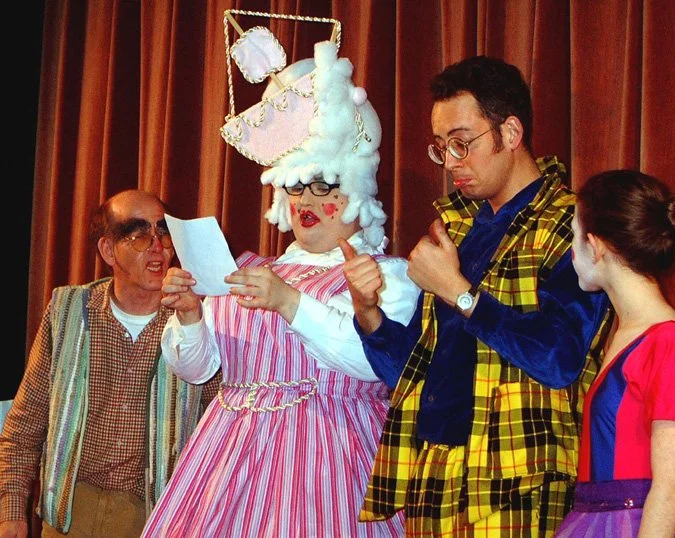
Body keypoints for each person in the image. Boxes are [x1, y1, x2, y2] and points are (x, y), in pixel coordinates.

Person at [139, 36, 419, 537]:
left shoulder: (388, 274)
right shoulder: (251, 268)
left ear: (355, 190)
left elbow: (373, 361)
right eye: (295, 186)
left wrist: (290, 302)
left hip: (329, 463)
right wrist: (189, 316)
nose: (305, 201)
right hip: (227, 466)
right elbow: (198, 370)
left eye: (323, 186)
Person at [342, 56, 613, 536]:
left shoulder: (570, 224)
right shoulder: (458, 228)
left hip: (517, 481)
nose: (451, 162)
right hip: (435, 474)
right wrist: (369, 315)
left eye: (462, 142)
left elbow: (559, 357)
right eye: (441, 147)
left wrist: (458, 292)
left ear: (510, 132)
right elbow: (417, 373)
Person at [0, 190, 219, 538]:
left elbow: (223, 429)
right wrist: (11, 513)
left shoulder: (198, 322)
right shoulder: (68, 311)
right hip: (69, 514)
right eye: (138, 234)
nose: (157, 246)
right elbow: (24, 425)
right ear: (108, 250)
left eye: (163, 232)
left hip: (153, 519)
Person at [554, 170, 675, 537]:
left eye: (573, 237)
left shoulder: (668, 341)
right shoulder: (622, 332)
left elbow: (671, 487)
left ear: (595, 246)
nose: (570, 252)